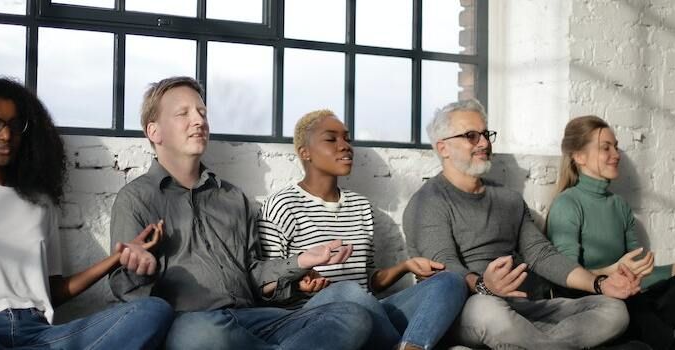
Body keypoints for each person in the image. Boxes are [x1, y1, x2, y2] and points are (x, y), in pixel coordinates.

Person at [107, 76, 373, 350]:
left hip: (254, 319)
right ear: (154, 132)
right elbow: (127, 299)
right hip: (194, 323)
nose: (199, 120)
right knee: (200, 334)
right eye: (183, 113)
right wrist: (139, 270)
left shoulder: (233, 198)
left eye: (202, 112)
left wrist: (302, 260)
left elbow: (254, 274)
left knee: (352, 316)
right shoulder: (135, 199)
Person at [0, 77, 172, 349]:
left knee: (153, 311)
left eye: (15, 125)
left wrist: (118, 257)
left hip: (41, 336)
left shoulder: (40, 202)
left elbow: (52, 291)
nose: (6, 136)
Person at [402, 99, 642, 349]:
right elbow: (445, 269)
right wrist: (485, 286)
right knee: (487, 310)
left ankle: (534, 343)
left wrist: (599, 282)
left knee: (612, 308)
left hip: (523, 309)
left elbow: (542, 254)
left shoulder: (508, 199)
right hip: (468, 309)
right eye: (471, 136)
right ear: (443, 148)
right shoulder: (426, 203)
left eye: (485, 134)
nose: (484, 143)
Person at [257, 109, 467, 350]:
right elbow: (267, 285)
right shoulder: (282, 204)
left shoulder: (360, 206)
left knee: (450, 281)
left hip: (369, 313)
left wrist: (404, 267)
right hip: (315, 319)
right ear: (305, 152)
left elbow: (366, 280)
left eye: (347, 138)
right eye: (331, 139)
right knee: (346, 291)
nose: (345, 145)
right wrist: (298, 283)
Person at [547, 115, 675, 350]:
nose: (616, 155)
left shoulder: (619, 205)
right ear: (579, 156)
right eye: (605, 148)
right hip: (593, 305)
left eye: (616, 147)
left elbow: (638, 274)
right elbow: (565, 277)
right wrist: (610, 274)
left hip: (628, 297)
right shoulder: (568, 204)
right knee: (645, 324)